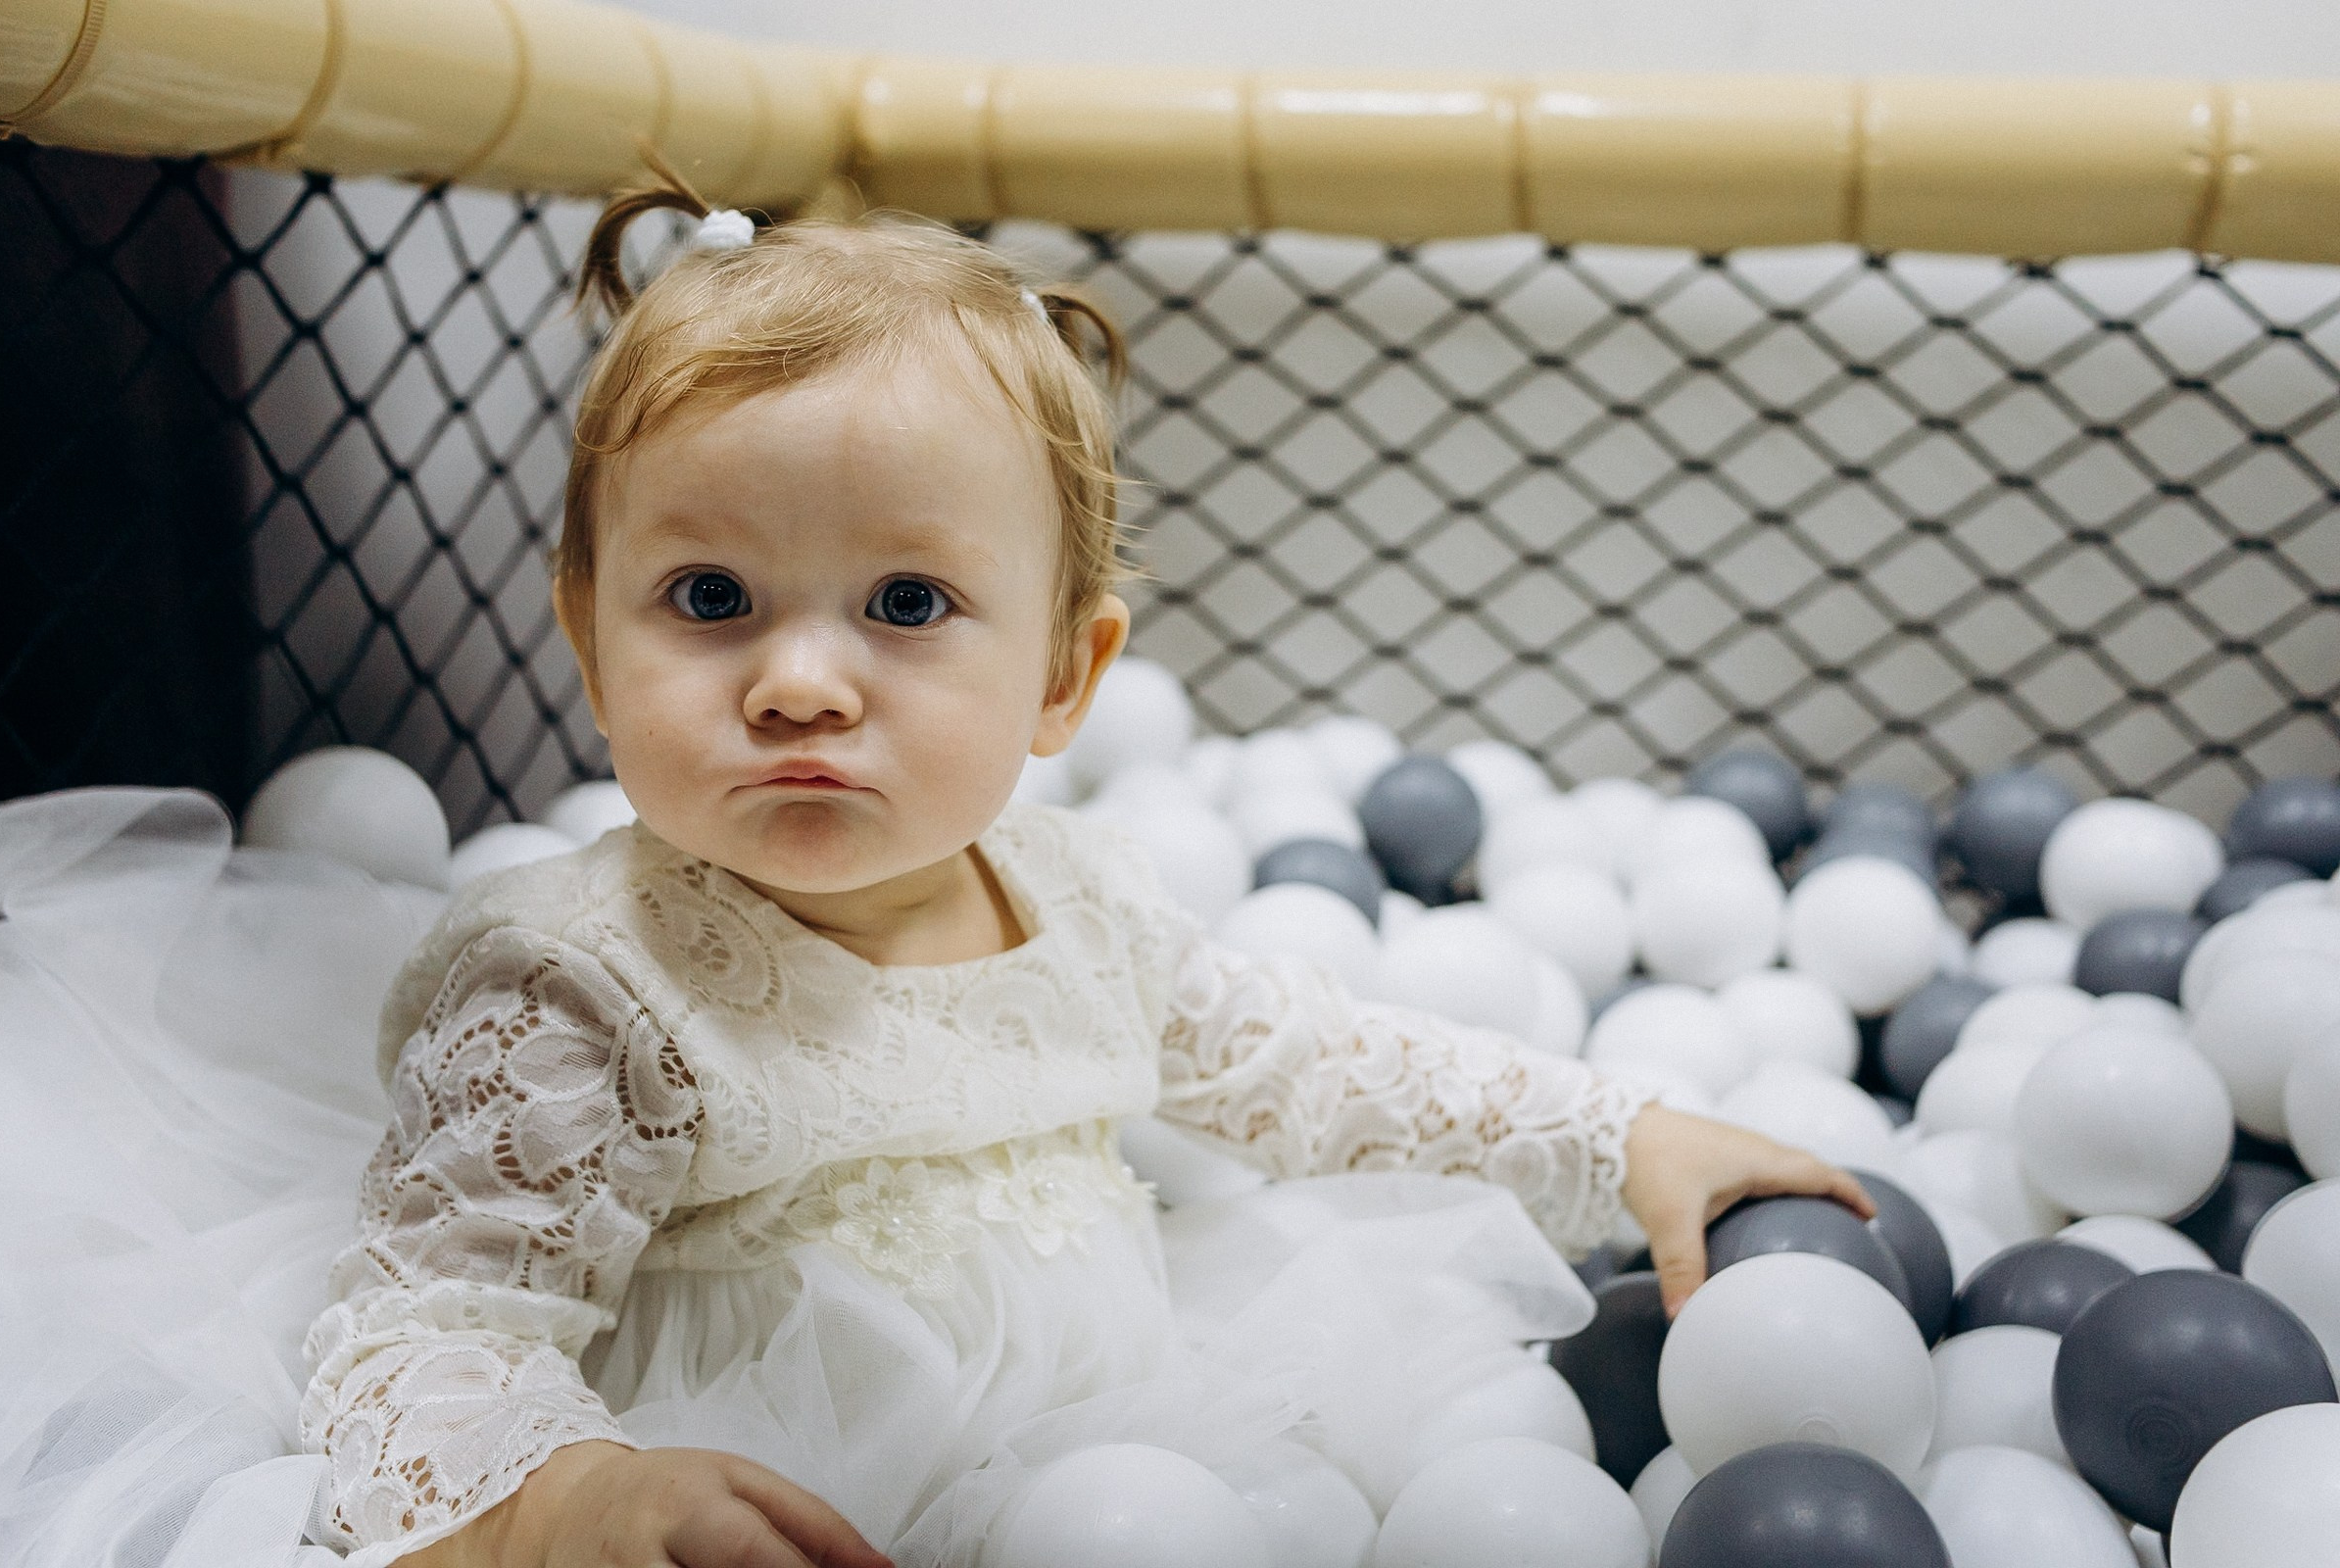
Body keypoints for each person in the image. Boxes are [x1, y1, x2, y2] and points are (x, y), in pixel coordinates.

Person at [280, 172, 1872, 1568]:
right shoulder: (580, 991)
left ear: (1065, 674)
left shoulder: (1081, 906)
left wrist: (1619, 1135)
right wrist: (560, 1504)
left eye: (905, 606)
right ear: (586, 632)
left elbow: (1313, 1068)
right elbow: (432, 1329)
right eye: (710, 597)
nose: (801, 683)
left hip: (1127, 1441)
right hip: (784, 1483)